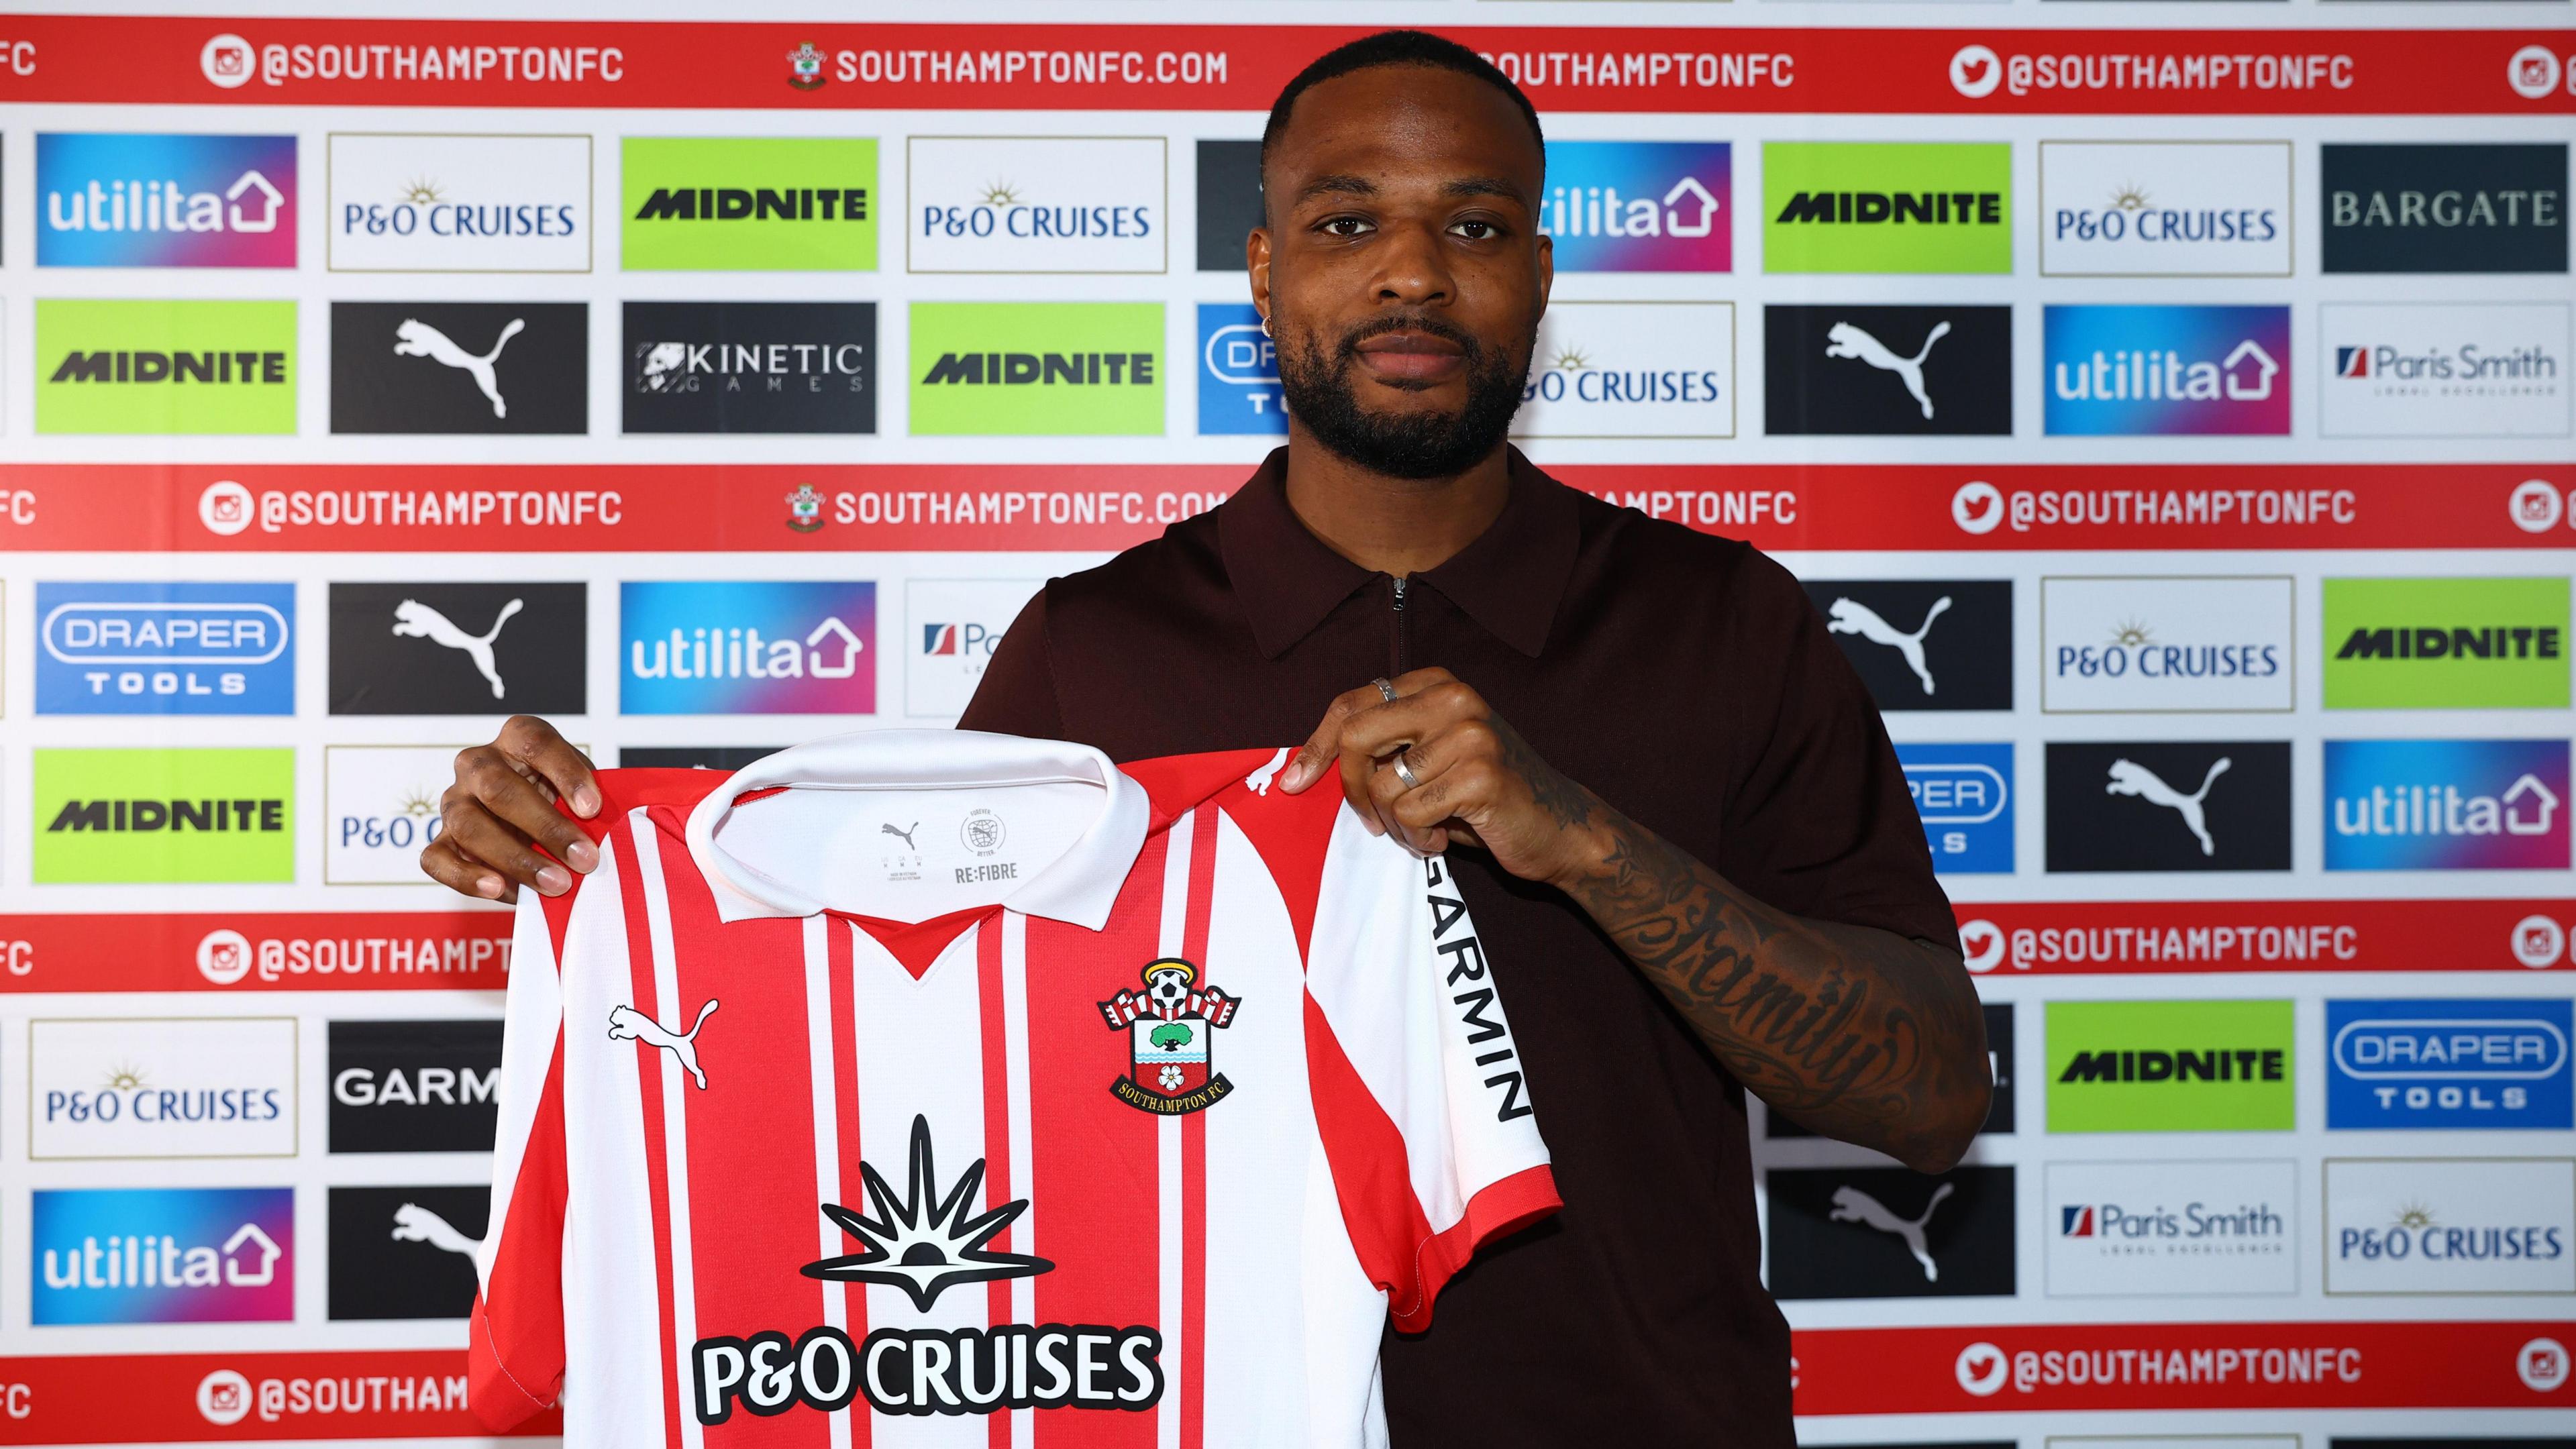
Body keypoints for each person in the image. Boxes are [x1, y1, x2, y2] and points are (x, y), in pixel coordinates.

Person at [422, 30, 1989, 1445]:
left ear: (1543, 273)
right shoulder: (1093, 649)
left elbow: (1927, 1098)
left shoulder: (1722, 624)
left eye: (1477, 226)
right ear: (1261, 270)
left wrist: (1586, 842)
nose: (1415, 276)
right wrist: (577, 850)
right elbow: (884, 1032)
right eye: (1347, 221)